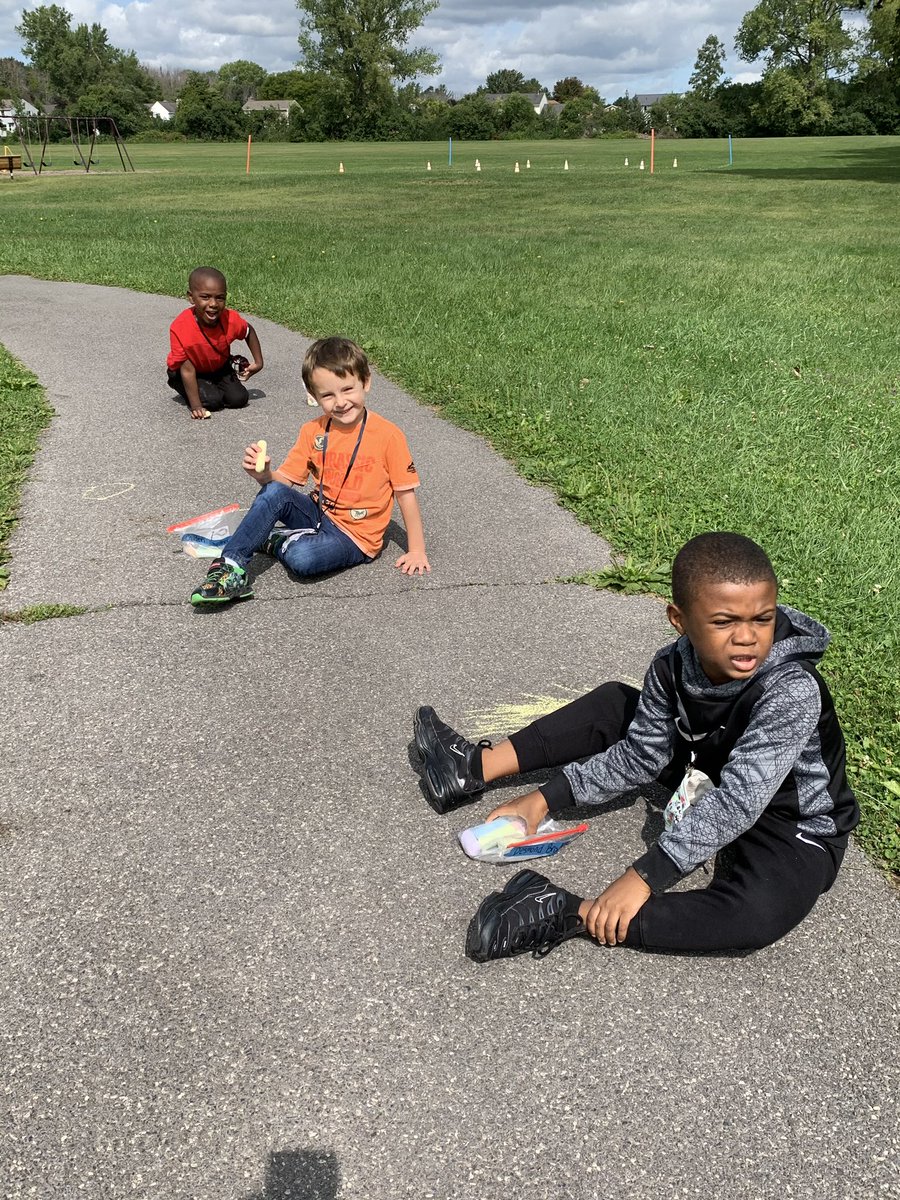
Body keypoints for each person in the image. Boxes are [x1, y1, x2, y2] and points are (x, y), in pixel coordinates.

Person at [413, 532, 858, 961]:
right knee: (616, 703)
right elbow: (641, 756)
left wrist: (646, 875)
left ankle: (566, 910)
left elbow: (740, 801)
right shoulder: (670, 665)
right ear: (679, 620)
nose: (747, 637)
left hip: (788, 818)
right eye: (724, 622)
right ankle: (471, 767)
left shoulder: (790, 689)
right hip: (709, 770)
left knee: (759, 914)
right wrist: (542, 798)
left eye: (762, 618)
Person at [191, 336, 430, 605]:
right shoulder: (312, 431)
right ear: (314, 396)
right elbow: (283, 484)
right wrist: (263, 475)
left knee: (302, 559)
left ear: (366, 382)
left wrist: (417, 550)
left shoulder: (389, 435)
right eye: (327, 395)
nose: (340, 402)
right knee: (273, 492)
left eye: (348, 389)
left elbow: (405, 494)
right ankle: (230, 567)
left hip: (355, 537)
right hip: (318, 512)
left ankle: (271, 538)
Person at [167, 266, 264, 419]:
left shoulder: (229, 319)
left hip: (218, 367)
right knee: (213, 402)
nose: (213, 304)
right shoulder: (180, 327)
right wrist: (196, 406)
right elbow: (187, 370)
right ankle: (179, 384)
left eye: (220, 298)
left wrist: (258, 363)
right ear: (191, 297)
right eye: (205, 297)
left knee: (239, 398)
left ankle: (209, 386)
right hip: (188, 370)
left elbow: (248, 331)